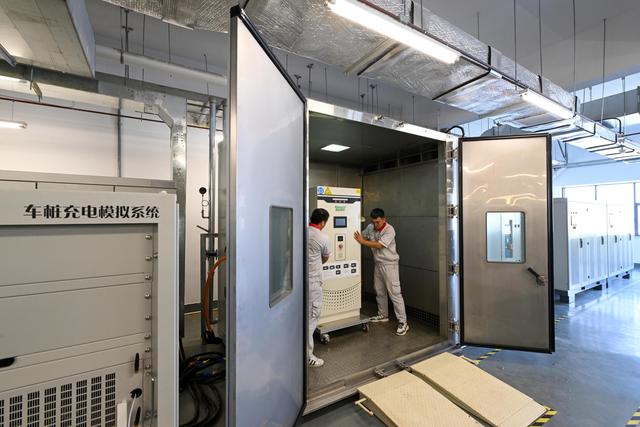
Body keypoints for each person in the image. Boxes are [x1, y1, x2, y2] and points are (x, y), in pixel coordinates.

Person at [354, 208, 409, 336]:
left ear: (384, 219)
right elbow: (361, 235)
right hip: (378, 264)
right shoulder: (370, 227)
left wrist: (362, 241)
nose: (376, 225)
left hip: (390, 265)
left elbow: (380, 245)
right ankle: (383, 315)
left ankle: (403, 322)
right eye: (373, 222)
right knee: (379, 291)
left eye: (378, 222)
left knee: (395, 293)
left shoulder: (390, 230)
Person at [307, 208, 331, 367]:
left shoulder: (300, 232)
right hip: (313, 282)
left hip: (298, 280)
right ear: (323, 222)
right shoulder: (323, 237)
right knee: (312, 317)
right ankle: (307, 356)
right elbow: (325, 257)